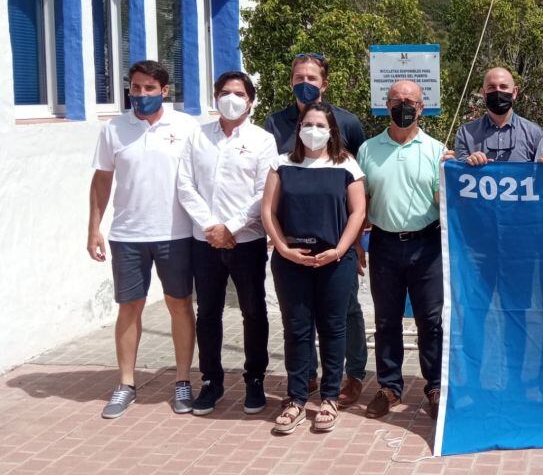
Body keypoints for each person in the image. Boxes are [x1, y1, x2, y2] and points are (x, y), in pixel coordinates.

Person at [87, 60, 200, 419]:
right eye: (135, 87)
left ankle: (182, 380)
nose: (141, 94)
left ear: (165, 91)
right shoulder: (114, 129)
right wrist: (93, 228)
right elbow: (102, 181)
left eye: (149, 88)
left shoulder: (185, 126)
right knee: (129, 307)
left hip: (177, 233)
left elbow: (202, 178)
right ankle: (125, 384)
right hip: (127, 235)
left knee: (180, 305)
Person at [263, 53, 368, 408]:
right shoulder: (274, 124)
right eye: (298, 77)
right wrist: (278, 242)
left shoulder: (348, 124)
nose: (304, 82)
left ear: (324, 83)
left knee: (343, 314)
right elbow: (269, 199)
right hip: (290, 248)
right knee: (297, 320)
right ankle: (303, 380)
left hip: (336, 246)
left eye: (311, 77)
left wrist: (349, 246)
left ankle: (350, 377)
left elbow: (357, 197)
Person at [177, 71, 277, 416]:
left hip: (246, 240)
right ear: (215, 97)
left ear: (250, 100)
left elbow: (265, 192)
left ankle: (254, 380)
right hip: (204, 240)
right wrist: (211, 226)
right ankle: (211, 381)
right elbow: (185, 185)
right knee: (207, 313)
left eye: (238, 93)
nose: (231, 98)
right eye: (224, 92)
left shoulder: (263, 140)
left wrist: (231, 227)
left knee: (253, 311)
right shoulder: (197, 136)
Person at [357, 80, 447, 420]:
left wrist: (448, 177)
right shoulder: (368, 149)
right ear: (386, 104)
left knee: (430, 320)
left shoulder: (437, 150)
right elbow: (361, 202)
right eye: (397, 99)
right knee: (386, 319)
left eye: (411, 100)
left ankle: (435, 385)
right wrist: (356, 243)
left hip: (427, 244)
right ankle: (389, 387)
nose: (404, 105)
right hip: (383, 243)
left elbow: (443, 202)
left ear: (422, 107)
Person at [454, 66, 543, 164]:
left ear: (514, 92)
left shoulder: (535, 134)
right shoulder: (466, 134)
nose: (497, 91)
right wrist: (468, 164)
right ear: (483, 94)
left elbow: (542, 175)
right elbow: (459, 174)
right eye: (491, 87)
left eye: (503, 87)